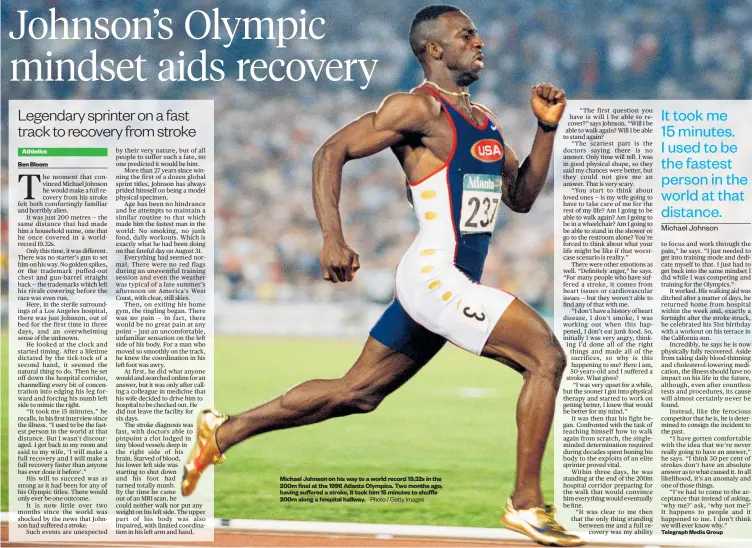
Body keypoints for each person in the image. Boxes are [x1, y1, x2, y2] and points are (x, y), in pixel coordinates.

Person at [182, 5, 582, 546]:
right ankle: (526, 504)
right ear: (435, 49)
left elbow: (521, 197)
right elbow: (332, 151)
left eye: (478, 34)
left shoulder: (484, 121)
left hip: (449, 282)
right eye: (467, 35)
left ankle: (223, 430)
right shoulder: (416, 109)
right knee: (546, 356)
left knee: (357, 393)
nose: (480, 42)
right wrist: (331, 236)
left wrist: (544, 130)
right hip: (436, 276)